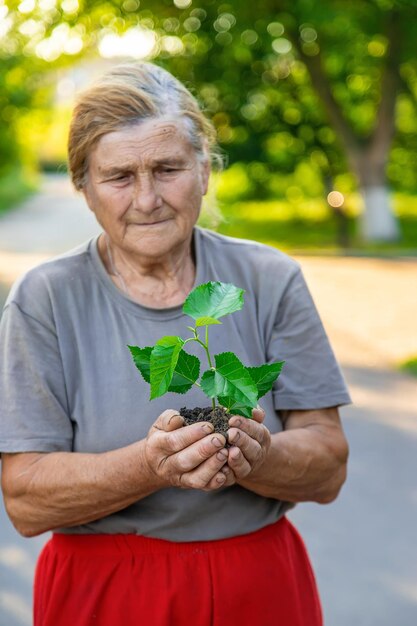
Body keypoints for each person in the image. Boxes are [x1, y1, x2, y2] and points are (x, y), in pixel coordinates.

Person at [0, 62, 350, 626]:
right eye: (119, 176)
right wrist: (151, 463)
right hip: (106, 591)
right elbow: (24, 499)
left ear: (205, 171)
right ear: (83, 188)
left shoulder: (267, 277)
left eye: (168, 169)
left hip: (256, 584)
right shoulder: (47, 298)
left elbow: (329, 465)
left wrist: (256, 455)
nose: (146, 199)